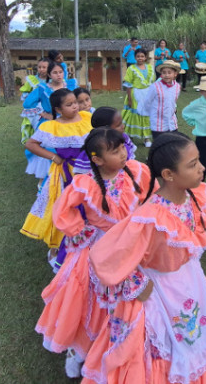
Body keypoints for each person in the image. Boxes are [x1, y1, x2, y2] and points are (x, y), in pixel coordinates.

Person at [82, 132, 206, 384]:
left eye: (199, 161)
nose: (202, 168)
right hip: (160, 290)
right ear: (169, 174)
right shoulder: (151, 216)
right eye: (192, 164)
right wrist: (136, 283)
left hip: (190, 281)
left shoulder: (194, 196)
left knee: (198, 335)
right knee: (161, 347)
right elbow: (105, 255)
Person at [35, 127, 151, 378]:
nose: (123, 154)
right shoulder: (85, 184)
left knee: (125, 301)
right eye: (115, 151)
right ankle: (79, 350)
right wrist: (80, 230)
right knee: (90, 299)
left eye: (123, 148)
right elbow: (62, 209)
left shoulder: (135, 171)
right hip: (98, 249)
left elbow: (148, 196)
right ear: (96, 159)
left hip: (131, 245)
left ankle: (116, 347)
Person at [21, 89, 93, 269]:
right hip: (65, 174)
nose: (76, 106)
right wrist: (53, 157)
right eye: (69, 105)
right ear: (58, 109)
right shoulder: (51, 126)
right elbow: (30, 144)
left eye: (75, 102)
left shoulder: (87, 117)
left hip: (89, 171)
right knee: (67, 207)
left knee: (88, 206)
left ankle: (87, 241)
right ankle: (59, 246)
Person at [23, 61, 79, 181]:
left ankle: (69, 178)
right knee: (49, 151)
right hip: (50, 125)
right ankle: (46, 183)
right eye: (55, 72)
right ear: (49, 74)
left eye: (60, 72)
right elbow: (27, 103)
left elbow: (79, 100)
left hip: (70, 123)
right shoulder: (42, 89)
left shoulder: (71, 85)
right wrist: (43, 113)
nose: (58, 75)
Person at [121, 48, 155, 148]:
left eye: (142, 56)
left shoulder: (150, 68)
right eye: (138, 56)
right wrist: (130, 99)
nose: (140, 58)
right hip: (135, 94)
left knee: (146, 117)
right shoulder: (131, 69)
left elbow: (153, 83)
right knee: (134, 116)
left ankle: (146, 138)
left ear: (145, 57)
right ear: (135, 57)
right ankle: (130, 138)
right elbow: (128, 85)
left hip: (147, 95)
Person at [141, 59, 182, 140]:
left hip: (171, 123)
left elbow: (174, 100)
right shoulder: (155, 86)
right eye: (164, 72)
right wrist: (154, 113)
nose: (166, 75)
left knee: (173, 144)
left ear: (175, 74)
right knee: (160, 147)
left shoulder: (177, 86)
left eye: (169, 72)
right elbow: (147, 102)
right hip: (158, 124)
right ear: (161, 74)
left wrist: (173, 109)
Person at [19, 59, 49, 145]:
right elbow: (26, 93)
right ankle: (32, 143)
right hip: (34, 108)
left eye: (44, 67)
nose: (41, 69)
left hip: (47, 107)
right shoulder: (32, 80)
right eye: (39, 67)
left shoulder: (52, 81)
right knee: (32, 124)